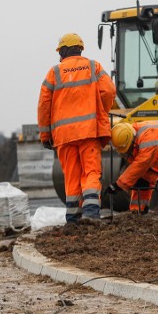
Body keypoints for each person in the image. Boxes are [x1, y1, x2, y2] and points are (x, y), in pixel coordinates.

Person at [38, 33, 116, 223]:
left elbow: (43, 105)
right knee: (90, 172)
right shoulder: (93, 66)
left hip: (64, 136)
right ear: (80, 49)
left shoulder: (53, 72)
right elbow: (109, 91)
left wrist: (45, 134)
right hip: (89, 131)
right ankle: (90, 212)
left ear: (62, 51)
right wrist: (101, 110)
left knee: (71, 176)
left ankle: (72, 218)